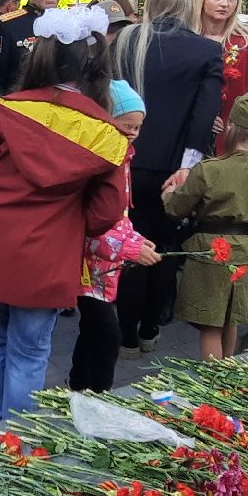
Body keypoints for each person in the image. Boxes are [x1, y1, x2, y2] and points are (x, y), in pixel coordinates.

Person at [0, 4, 126, 422]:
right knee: (30, 353)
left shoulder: (5, 111)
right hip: (48, 256)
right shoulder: (105, 134)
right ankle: (16, 442)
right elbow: (106, 212)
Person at [108, 0, 223, 355]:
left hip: (126, 160)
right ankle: (150, 326)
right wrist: (189, 165)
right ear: (189, 5)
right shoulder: (206, 50)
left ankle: (126, 331)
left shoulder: (127, 40)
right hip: (173, 167)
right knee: (164, 247)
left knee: (131, 242)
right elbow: (204, 116)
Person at [166, 90, 248, 360]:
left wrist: (169, 193)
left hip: (210, 250)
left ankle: (213, 378)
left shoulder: (209, 169)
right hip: (246, 252)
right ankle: (229, 369)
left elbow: (176, 208)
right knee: (232, 318)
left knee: (210, 325)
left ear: (230, 129)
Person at [69, 80, 158, 392]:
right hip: (87, 265)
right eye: (126, 124)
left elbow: (120, 214)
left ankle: (78, 387)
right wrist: (128, 249)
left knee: (92, 329)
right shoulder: (100, 159)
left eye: (138, 127)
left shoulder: (122, 156)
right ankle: (99, 396)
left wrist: (134, 238)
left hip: (102, 266)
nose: (132, 132)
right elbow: (91, 219)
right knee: (108, 335)